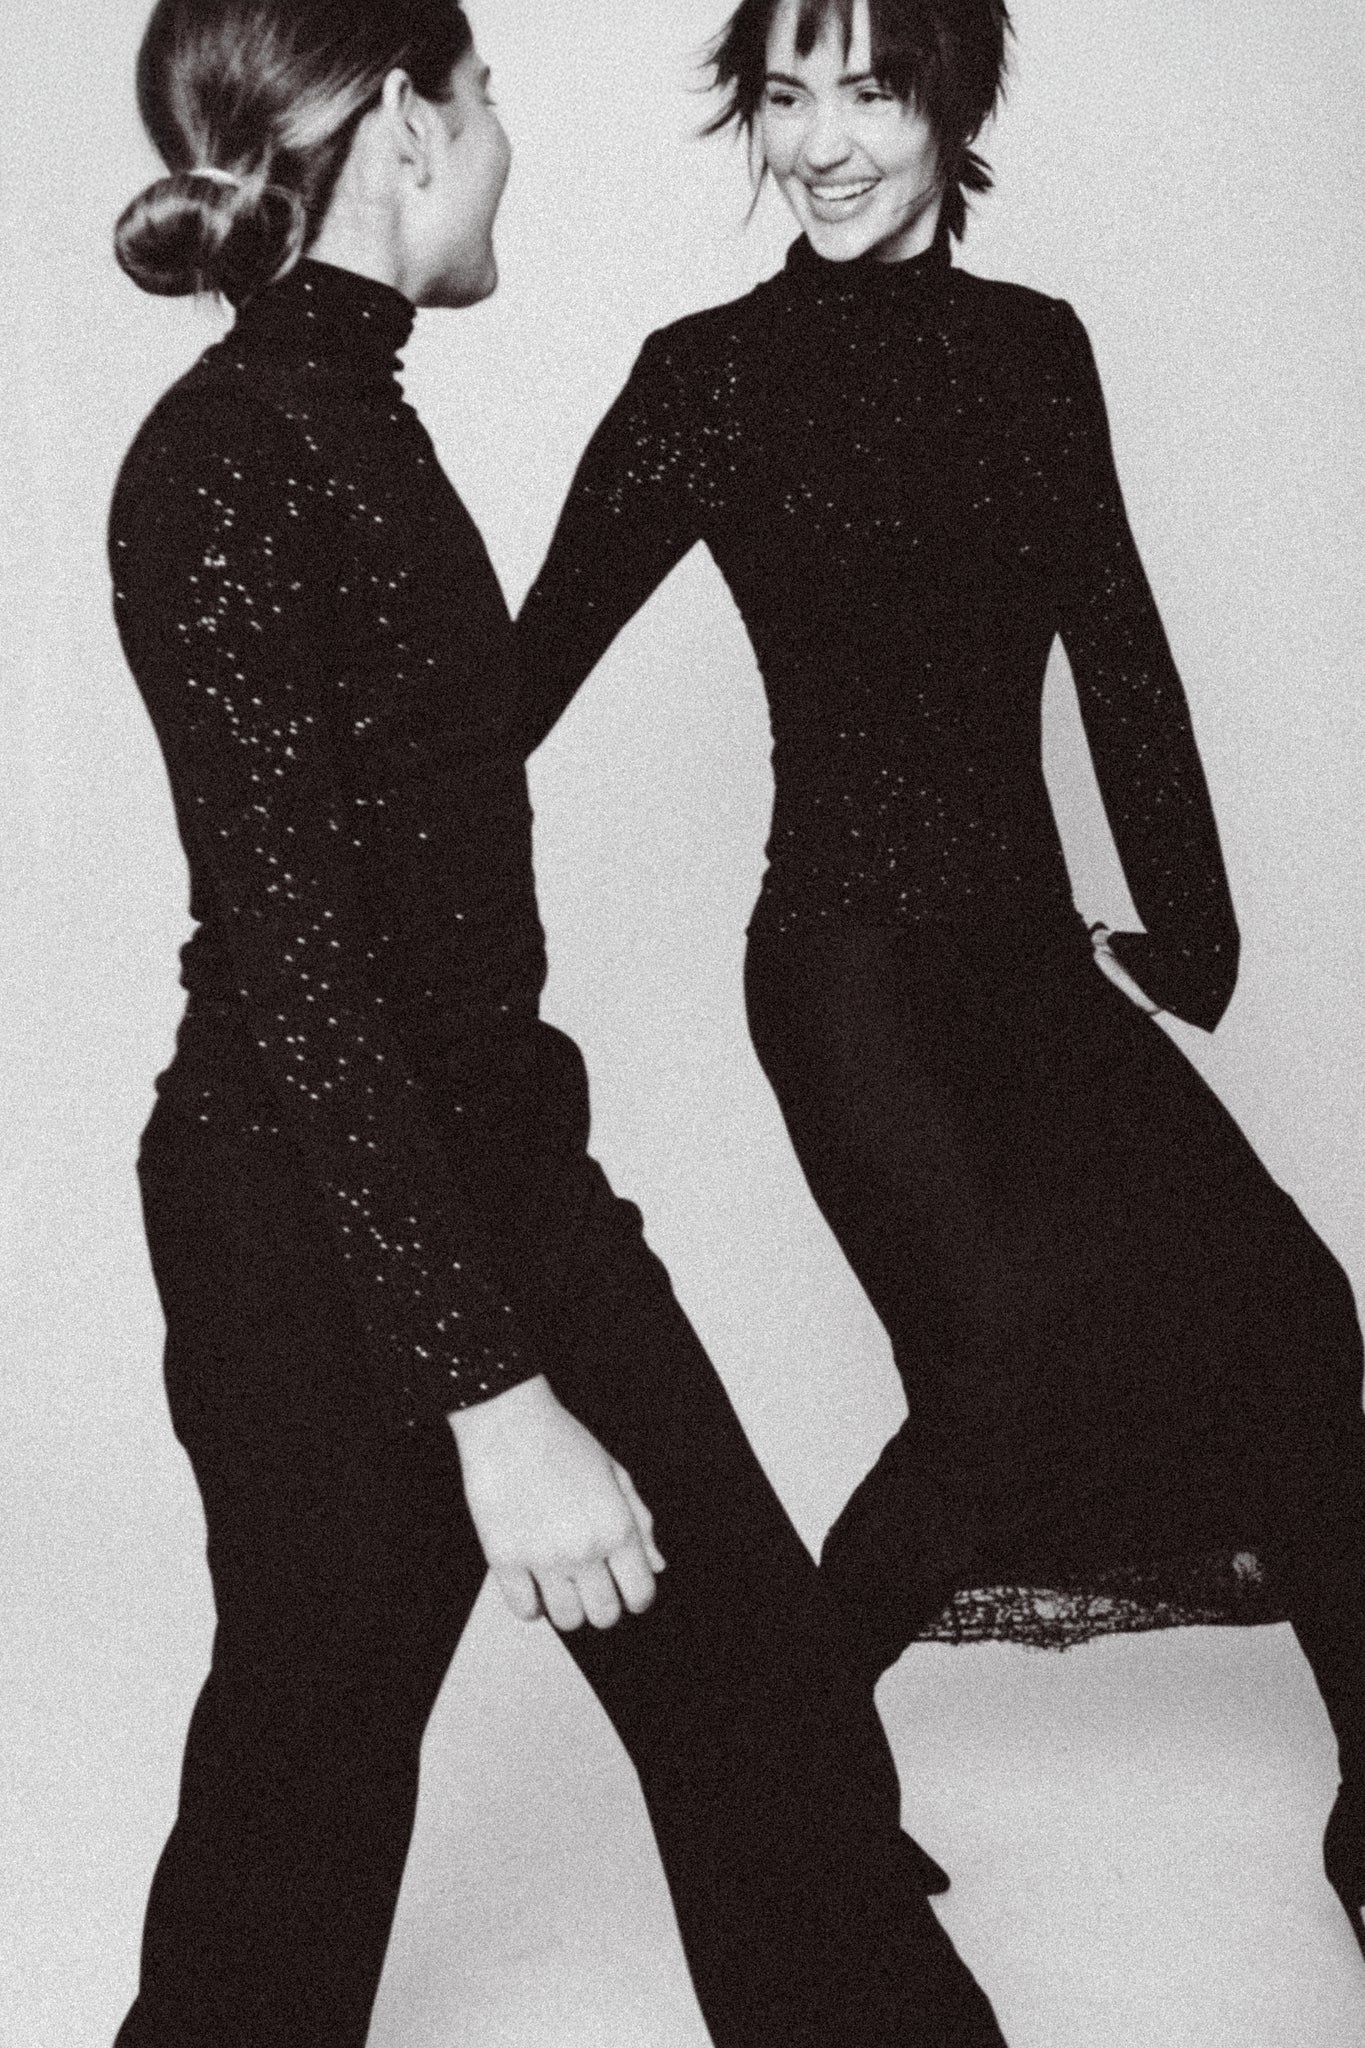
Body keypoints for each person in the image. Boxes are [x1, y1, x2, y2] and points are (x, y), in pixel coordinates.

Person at [105, 2, 1014, 2043]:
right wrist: (495, 1402)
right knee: (299, 1804)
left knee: (770, 1720)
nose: (508, 139)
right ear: (409, 119)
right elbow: (305, 985)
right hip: (304, 1223)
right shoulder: (226, 464)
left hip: (494, 1171)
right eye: (490, 97)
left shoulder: (351, 419)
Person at [514, 0, 1365, 1959]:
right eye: (782, 95)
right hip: (846, 973)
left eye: (868, 90)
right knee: (997, 1391)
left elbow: (1117, 645)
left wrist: (1190, 940)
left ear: (946, 100)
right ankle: (784, 1793)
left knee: (1287, 1317)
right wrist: (334, 816)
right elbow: (523, 669)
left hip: (1022, 964)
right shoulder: (708, 379)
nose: (819, 141)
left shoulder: (1029, 349)